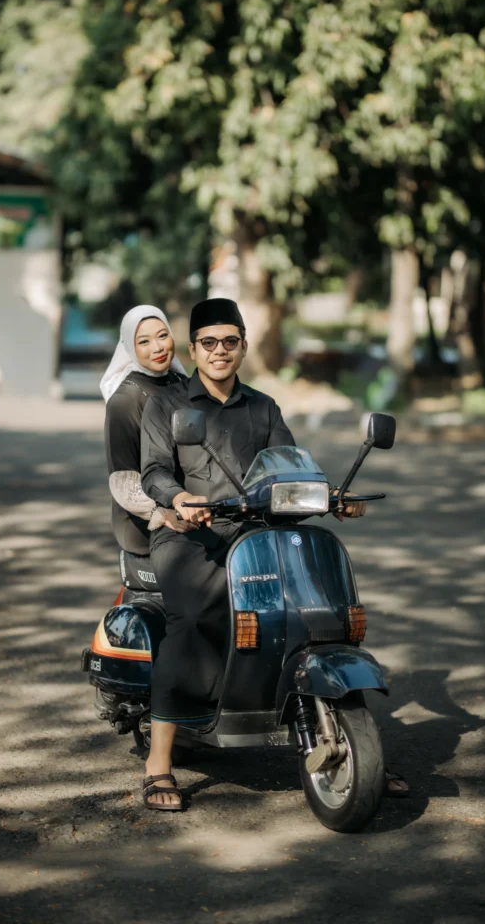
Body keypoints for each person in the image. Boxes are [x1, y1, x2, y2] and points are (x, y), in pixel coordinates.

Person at [138, 298, 369, 811]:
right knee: (194, 619)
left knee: (313, 610)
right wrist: (180, 499)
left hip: (258, 532)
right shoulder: (169, 406)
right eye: (208, 342)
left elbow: (290, 468)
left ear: (243, 344)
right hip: (190, 535)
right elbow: (154, 471)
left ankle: (348, 739)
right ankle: (159, 764)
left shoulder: (264, 407)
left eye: (230, 341)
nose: (220, 351)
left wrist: (333, 498)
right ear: (194, 348)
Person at [101, 305, 191, 564]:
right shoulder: (125, 400)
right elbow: (123, 479)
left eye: (163, 335)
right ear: (130, 346)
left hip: (188, 507)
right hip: (147, 523)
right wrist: (162, 513)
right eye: (144, 341)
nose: (158, 347)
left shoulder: (180, 383)